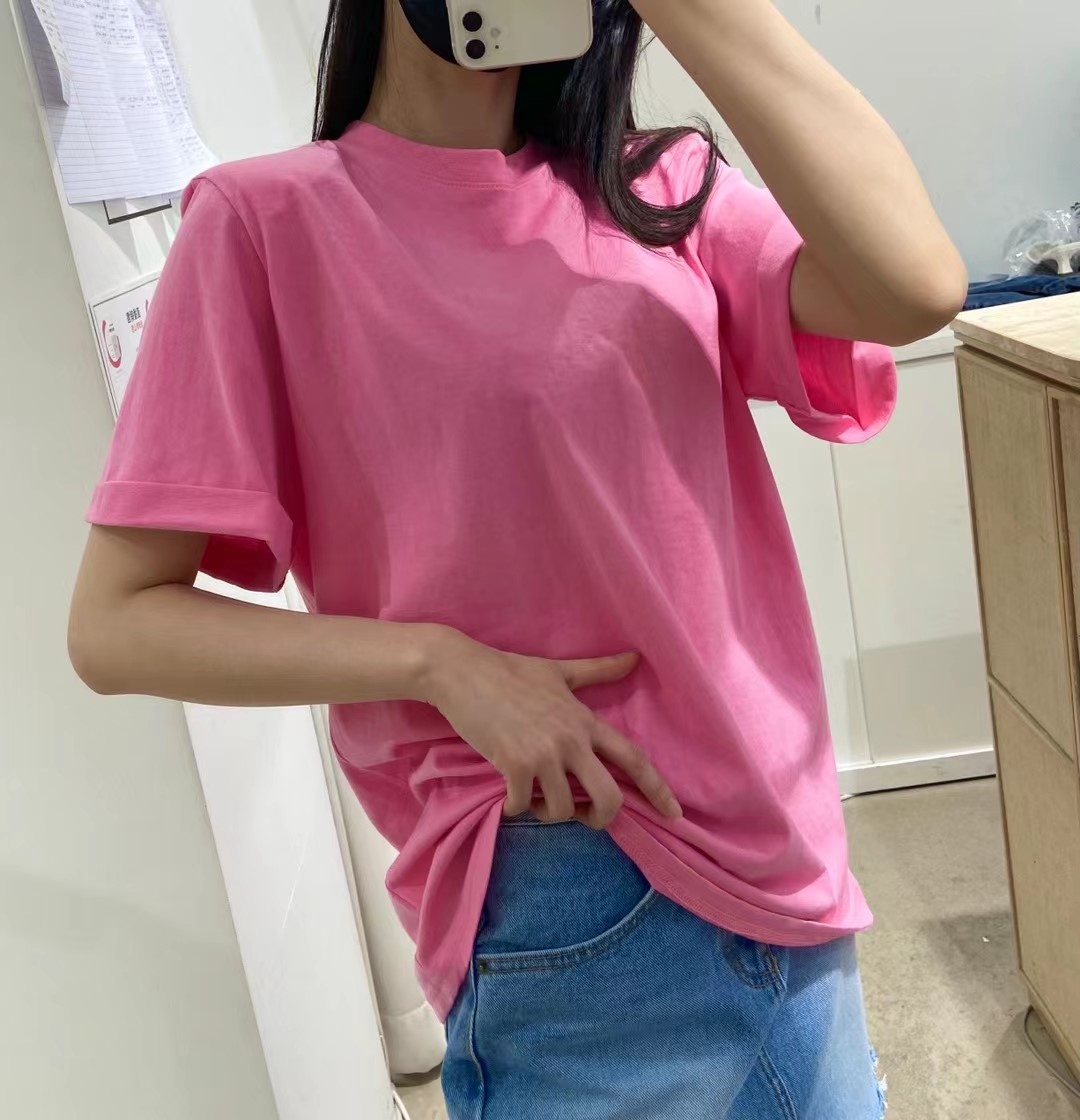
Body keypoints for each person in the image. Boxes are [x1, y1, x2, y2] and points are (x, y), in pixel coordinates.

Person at [68, 0, 966, 1116]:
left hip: (791, 860)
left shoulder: (659, 191)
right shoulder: (267, 224)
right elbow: (117, 621)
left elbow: (914, 284)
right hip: (566, 888)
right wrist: (438, 663)